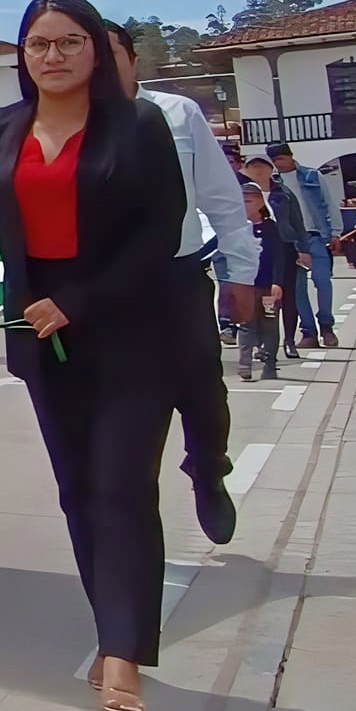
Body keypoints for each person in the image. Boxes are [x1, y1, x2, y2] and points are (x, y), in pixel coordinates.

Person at [0, 0, 186, 711]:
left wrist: (76, 300)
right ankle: (111, 627)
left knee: (121, 489)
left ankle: (122, 654)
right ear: (23, 55)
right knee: (80, 492)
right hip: (38, 339)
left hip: (131, 330)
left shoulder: (138, 125)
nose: (52, 56)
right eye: (39, 44)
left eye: (68, 42)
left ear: (95, 50)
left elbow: (161, 231)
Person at [107, 27, 257, 545]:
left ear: (132, 60)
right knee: (123, 408)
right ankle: (128, 528)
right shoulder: (64, 124)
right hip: (104, 290)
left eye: (110, 55)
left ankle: (208, 470)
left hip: (177, 277)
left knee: (203, 393)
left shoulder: (178, 115)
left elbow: (222, 199)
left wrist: (241, 275)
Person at [267, 144, 339, 349]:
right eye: (274, 159)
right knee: (298, 288)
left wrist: (335, 232)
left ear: (290, 157)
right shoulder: (273, 182)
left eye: (281, 158)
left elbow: (328, 203)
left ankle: (326, 325)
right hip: (289, 240)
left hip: (315, 235)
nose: (278, 163)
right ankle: (309, 332)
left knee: (323, 282)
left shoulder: (311, 176)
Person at [243, 155, 311, 359]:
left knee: (289, 296)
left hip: (285, 247)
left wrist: (303, 249)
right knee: (260, 298)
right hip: (255, 249)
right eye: (253, 167)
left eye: (262, 166)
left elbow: (297, 221)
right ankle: (264, 343)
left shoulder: (283, 193)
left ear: (271, 169)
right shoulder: (242, 192)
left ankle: (289, 340)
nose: (258, 171)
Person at [236, 179, 288, 382]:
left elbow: (278, 257)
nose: (245, 205)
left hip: (267, 286)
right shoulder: (237, 228)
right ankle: (245, 365)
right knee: (246, 325)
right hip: (246, 286)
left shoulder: (271, 228)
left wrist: (278, 281)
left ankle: (270, 363)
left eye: (249, 201)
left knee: (269, 324)